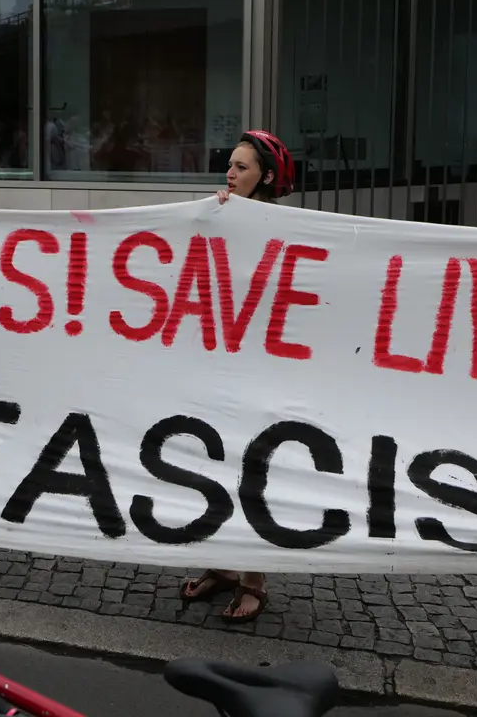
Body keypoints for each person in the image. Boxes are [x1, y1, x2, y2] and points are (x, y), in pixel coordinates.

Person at [180, 129, 297, 625]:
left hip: (264, 369)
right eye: (229, 165)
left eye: (242, 167)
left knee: (255, 474)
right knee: (216, 465)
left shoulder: (290, 227)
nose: (230, 174)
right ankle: (222, 567)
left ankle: (254, 581)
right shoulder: (222, 215)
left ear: (266, 178)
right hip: (222, 363)